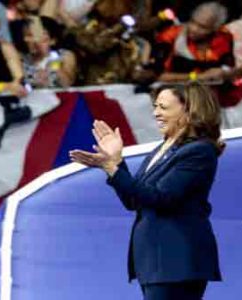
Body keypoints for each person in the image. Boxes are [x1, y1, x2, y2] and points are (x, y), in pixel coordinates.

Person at [69, 82, 223, 300]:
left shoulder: (198, 151)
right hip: (155, 263)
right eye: (155, 106)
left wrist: (111, 167)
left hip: (177, 261)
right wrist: (116, 163)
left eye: (163, 107)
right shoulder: (160, 151)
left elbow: (162, 198)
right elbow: (133, 201)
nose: (156, 113)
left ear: (189, 110)